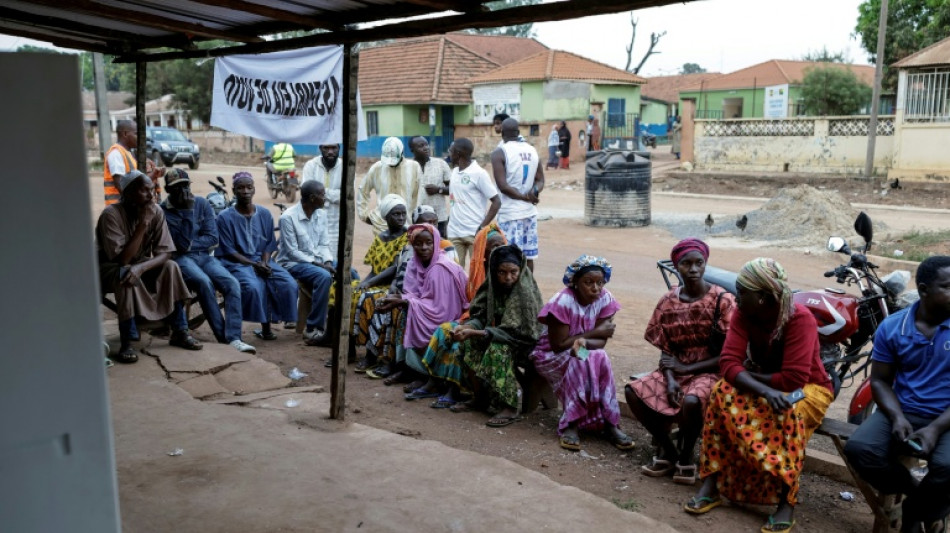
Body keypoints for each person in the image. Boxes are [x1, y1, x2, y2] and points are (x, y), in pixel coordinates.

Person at [685, 258, 833, 533]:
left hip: (809, 388)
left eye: (742, 292)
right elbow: (728, 364)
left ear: (763, 297)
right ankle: (711, 483)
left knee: (788, 411)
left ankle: (786, 501)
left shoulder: (799, 319)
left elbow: (793, 379)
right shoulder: (744, 314)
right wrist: (761, 387)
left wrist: (748, 376)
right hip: (764, 381)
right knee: (720, 393)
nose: (736, 297)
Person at [844, 256, 950, 533]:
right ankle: (916, 492)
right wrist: (897, 417)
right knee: (860, 450)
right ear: (924, 290)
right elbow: (880, 381)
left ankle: (915, 512)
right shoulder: (893, 327)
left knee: (947, 467)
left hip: (946, 417)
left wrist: (935, 429)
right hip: (904, 410)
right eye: (947, 286)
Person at [626, 239, 735, 483]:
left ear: (705, 264)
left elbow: (729, 355)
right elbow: (666, 349)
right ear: (677, 267)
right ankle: (669, 450)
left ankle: (686, 456)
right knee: (633, 392)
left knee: (693, 401)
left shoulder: (723, 300)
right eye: (686, 264)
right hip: (677, 369)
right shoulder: (668, 301)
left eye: (699, 263)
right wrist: (671, 378)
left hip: (711, 369)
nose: (693, 269)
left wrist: (687, 368)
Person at [96, 170, 202, 363]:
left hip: (138, 264)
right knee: (126, 274)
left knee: (171, 267)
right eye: (144, 190)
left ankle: (180, 331)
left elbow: (166, 253)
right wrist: (143, 224)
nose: (151, 195)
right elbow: (123, 260)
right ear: (128, 193)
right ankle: (127, 341)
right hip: (109, 268)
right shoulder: (111, 215)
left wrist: (142, 268)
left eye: (152, 190)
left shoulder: (155, 211)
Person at [531, 255, 633, 452]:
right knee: (581, 358)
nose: (595, 288)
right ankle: (571, 423)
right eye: (588, 282)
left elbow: (601, 343)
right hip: (548, 356)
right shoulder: (562, 302)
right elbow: (558, 345)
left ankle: (610, 423)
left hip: (583, 351)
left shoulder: (605, 299)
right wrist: (592, 334)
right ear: (575, 282)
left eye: (600, 283)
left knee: (599, 356)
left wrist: (584, 341)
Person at [160, 169, 255, 354]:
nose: (184, 192)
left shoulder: (202, 203)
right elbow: (178, 247)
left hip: (203, 257)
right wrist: (187, 212)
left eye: (186, 186)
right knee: (204, 283)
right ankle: (224, 338)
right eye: (177, 188)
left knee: (232, 283)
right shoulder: (163, 211)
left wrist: (188, 244)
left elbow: (212, 238)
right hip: (180, 259)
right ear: (168, 190)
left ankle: (234, 338)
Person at [452, 245, 544, 426]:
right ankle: (480, 397)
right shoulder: (492, 288)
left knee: (497, 350)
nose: (508, 277)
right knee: (467, 344)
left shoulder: (524, 292)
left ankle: (510, 405)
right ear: (494, 271)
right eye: (502, 272)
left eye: (513, 272)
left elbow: (515, 332)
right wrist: (468, 327)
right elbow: (480, 315)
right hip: (498, 335)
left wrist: (477, 332)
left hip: (525, 343)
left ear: (521, 270)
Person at [376, 223, 469, 400]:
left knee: (410, 314)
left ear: (436, 243)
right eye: (418, 244)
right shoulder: (415, 264)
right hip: (430, 310)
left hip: (449, 316)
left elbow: (440, 309)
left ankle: (426, 376)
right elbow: (415, 295)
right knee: (404, 314)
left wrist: (404, 301)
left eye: (429, 243)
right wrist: (399, 299)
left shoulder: (440, 268)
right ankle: (411, 370)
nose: (424, 247)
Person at [215, 172, 298, 342]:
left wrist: (265, 262)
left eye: (249, 187)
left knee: (288, 283)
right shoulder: (224, 217)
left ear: (254, 189)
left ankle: (277, 323)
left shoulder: (264, 214)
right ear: (234, 191)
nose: (245, 191)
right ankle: (258, 328)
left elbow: (269, 243)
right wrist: (254, 264)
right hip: (236, 263)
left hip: (263, 259)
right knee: (253, 286)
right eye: (240, 188)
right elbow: (229, 250)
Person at [348, 195, 410, 370]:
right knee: (350, 293)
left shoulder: (407, 237)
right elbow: (374, 269)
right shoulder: (380, 238)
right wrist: (363, 283)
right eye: (396, 214)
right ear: (386, 217)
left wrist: (369, 284)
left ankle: (372, 353)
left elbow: (395, 268)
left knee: (368, 299)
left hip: (394, 284)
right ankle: (349, 347)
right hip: (377, 282)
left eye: (403, 214)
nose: (401, 218)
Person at [276, 180, 334, 345]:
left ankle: (340, 325)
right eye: (322, 195)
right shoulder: (288, 218)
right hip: (292, 264)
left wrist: (328, 262)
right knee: (323, 277)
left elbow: (324, 244)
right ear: (312, 198)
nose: (325, 198)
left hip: (317, 261)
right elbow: (292, 252)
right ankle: (313, 328)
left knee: (350, 273)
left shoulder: (321, 215)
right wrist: (318, 264)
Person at [491, 118, 544, 272]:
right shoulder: (532, 150)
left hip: (510, 214)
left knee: (508, 258)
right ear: (518, 132)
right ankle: (528, 286)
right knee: (528, 257)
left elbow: (503, 186)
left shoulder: (499, 152)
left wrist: (524, 196)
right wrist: (533, 193)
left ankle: (513, 288)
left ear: (502, 133)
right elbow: (541, 180)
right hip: (529, 213)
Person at [447, 138, 500, 269]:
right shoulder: (454, 172)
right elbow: (457, 192)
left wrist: (482, 227)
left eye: (451, 151)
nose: (449, 154)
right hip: (454, 232)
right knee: (454, 271)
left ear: (458, 153)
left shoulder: (479, 173)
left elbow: (496, 201)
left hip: (474, 233)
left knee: (477, 272)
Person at [357, 137, 420, 235]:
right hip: (382, 226)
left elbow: (419, 194)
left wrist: (417, 218)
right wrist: (364, 215)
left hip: (407, 224)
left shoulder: (414, 167)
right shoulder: (377, 168)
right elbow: (363, 190)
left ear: (402, 152)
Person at [104, 119, 162, 205]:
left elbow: (136, 183)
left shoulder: (128, 153)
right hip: (119, 208)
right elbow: (120, 184)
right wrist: (134, 204)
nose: (139, 137)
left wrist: (154, 174)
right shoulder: (116, 153)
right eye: (136, 134)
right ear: (125, 134)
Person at [301, 144, 342, 254]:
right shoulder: (311, 166)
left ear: (339, 148)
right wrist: (334, 194)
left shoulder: (345, 167)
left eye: (333, 148)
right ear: (320, 148)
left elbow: (346, 196)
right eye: (326, 148)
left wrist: (320, 192)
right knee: (313, 255)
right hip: (313, 221)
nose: (330, 151)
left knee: (334, 257)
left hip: (336, 224)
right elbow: (306, 193)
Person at [410, 136, 452, 238]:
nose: (426, 148)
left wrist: (438, 190)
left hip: (438, 219)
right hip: (416, 219)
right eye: (421, 146)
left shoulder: (441, 164)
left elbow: (453, 189)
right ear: (412, 150)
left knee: (440, 245)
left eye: (426, 144)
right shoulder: (408, 167)